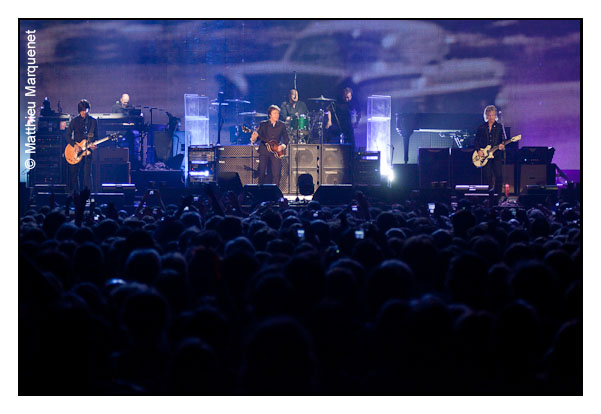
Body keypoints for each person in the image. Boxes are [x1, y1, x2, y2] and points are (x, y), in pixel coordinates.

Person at [251, 105, 289, 186]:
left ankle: (275, 193)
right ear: (270, 115)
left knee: (276, 173)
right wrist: (254, 138)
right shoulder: (263, 124)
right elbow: (258, 137)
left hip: (276, 152)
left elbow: (286, 139)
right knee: (261, 172)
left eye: (278, 113)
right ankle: (260, 191)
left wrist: (282, 146)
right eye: (275, 113)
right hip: (264, 151)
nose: (277, 115)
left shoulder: (282, 125)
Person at [65, 99, 98, 192]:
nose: (84, 112)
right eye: (82, 110)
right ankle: (76, 195)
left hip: (87, 152)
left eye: (85, 110)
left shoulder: (93, 122)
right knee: (75, 174)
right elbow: (67, 135)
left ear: (88, 109)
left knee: (87, 175)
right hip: (76, 151)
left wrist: (94, 145)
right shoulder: (74, 121)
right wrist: (74, 145)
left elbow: (96, 137)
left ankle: (87, 196)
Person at [474, 105, 505, 194]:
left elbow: (503, 140)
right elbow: (476, 141)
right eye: (489, 115)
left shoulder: (499, 127)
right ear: (486, 116)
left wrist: (502, 145)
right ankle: (488, 195)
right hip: (485, 156)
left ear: (495, 116)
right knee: (487, 177)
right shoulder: (482, 127)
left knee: (499, 176)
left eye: (492, 115)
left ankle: (497, 195)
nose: (491, 117)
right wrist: (478, 150)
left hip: (496, 155)